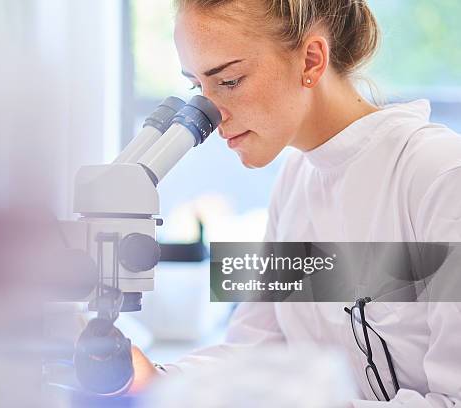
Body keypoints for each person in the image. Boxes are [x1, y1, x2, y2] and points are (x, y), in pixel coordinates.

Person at [130, 0, 461, 406]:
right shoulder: (296, 180)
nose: (212, 115)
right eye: (199, 87)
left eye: (230, 80)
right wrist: (156, 379)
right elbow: (259, 352)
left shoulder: (439, 176)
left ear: (311, 60)